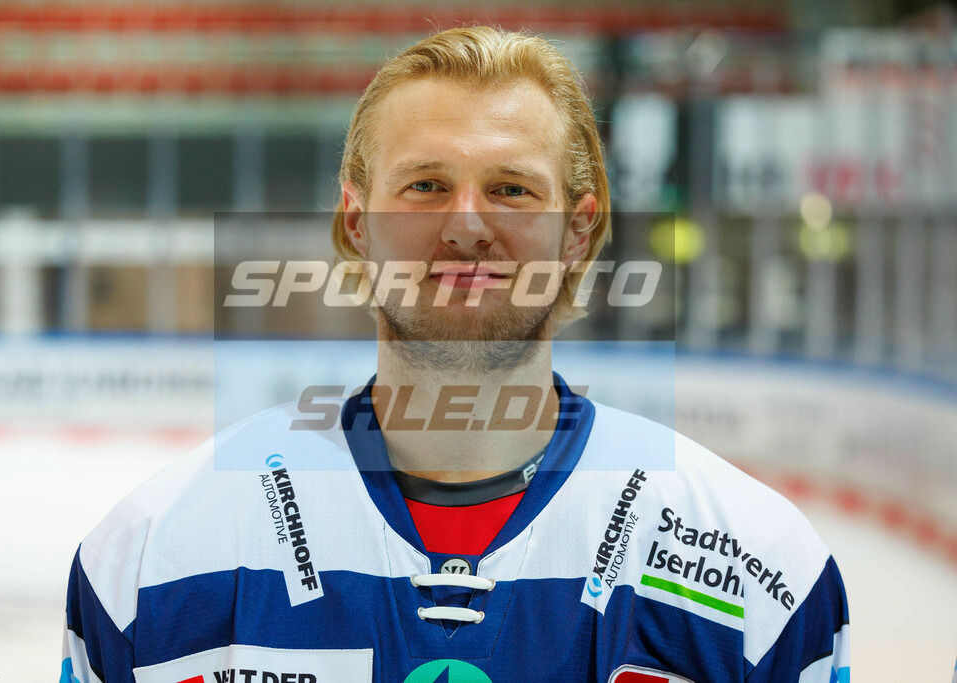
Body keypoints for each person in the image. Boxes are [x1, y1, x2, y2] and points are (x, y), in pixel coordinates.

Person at [62, 26, 849, 682]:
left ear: (578, 228)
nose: (466, 225)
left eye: (510, 189)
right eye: (426, 185)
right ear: (356, 219)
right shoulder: (150, 559)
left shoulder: (758, 571)